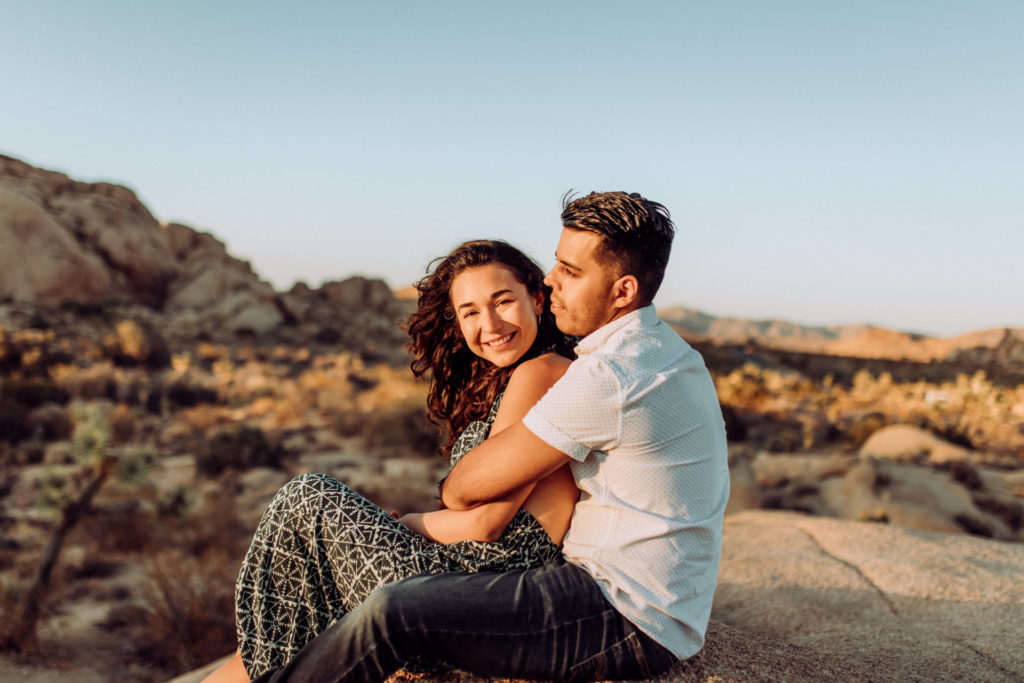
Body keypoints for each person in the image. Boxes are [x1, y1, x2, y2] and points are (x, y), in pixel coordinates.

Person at [250, 191, 730, 682]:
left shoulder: (610, 376)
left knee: (392, 606)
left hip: (622, 614)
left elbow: (469, 491)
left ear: (623, 290)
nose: (550, 278)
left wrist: (420, 513)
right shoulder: (663, 352)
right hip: (636, 603)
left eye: (570, 270)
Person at [204, 240, 579, 682]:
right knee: (298, 603)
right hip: (469, 575)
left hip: (485, 586)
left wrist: (406, 524)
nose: (490, 324)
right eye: (471, 312)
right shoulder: (520, 378)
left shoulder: (541, 371)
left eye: (503, 302)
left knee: (307, 496)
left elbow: (487, 524)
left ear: (536, 299)